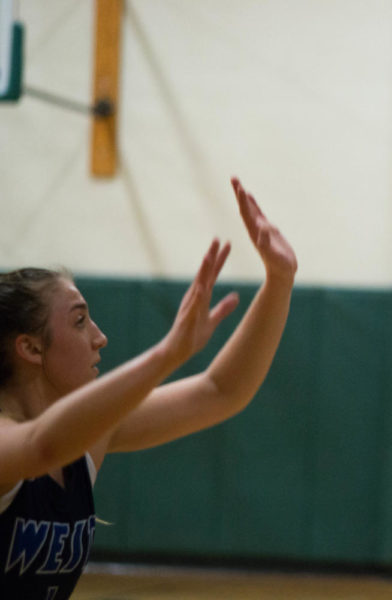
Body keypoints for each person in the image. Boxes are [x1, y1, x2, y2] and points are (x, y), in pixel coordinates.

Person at [0, 177, 297, 599]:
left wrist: (279, 280)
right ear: (30, 347)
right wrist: (168, 354)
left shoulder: (87, 437)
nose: (99, 338)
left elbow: (220, 391)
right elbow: (41, 446)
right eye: (80, 321)